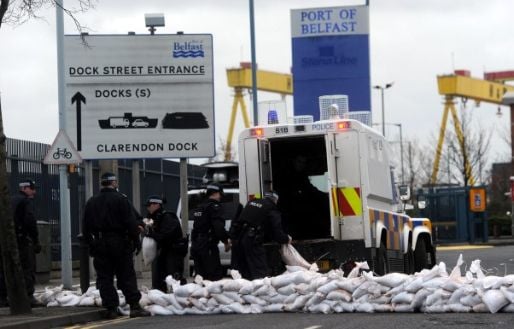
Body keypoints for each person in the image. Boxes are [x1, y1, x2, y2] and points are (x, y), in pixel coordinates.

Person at [82, 172, 150, 319]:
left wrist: (92, 244)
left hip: (100, 243)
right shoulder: (121, 200)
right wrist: (136, 241)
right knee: (126, 275)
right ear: (114, 183)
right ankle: (134, 306)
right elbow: (130, 223)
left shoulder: (92, 201)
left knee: (104, 277)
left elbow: (85, 227)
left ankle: (111, 308)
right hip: (120, 243)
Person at [230, 191, 291, 280]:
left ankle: (247, 291)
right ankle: (260, 291)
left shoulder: (251, 202)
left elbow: (237, 220)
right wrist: (286, 239)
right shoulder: (271, 208)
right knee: (260, 271)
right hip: (252, 240)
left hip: (239, 240)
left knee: (245, 272)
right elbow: (276, 231)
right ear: (275, 200)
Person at [0, 178, 42, 307]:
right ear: (24, 188)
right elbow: (30, 222)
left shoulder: (10, 200)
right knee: (27, 268)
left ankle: (2, 298)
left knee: (5, 269)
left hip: (6, 240)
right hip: (22, 240)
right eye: (32, 189)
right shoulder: (25, 202)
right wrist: (35, 240)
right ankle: (28, 297)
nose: (34, 192)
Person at [144, 195, 187, 291]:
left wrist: (152, 234)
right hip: (163, 251)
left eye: (149, 205)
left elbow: (166, 236)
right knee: (159, 278)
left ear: (157, 205)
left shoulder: (168, 217)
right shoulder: (155, 217)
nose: (147, 208)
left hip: (173, 251)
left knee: (175, 278)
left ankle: (182, 297)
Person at [190, 183, 231, 281]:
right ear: (215, 193)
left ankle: (200, 295)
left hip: (196, 245)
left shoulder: (201, 206)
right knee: (213, 277)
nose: (220, 197)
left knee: (200, 276)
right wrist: (226, 241)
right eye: (220, 194)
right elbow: (219, 228)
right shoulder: (214, 207)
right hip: (208, 246)